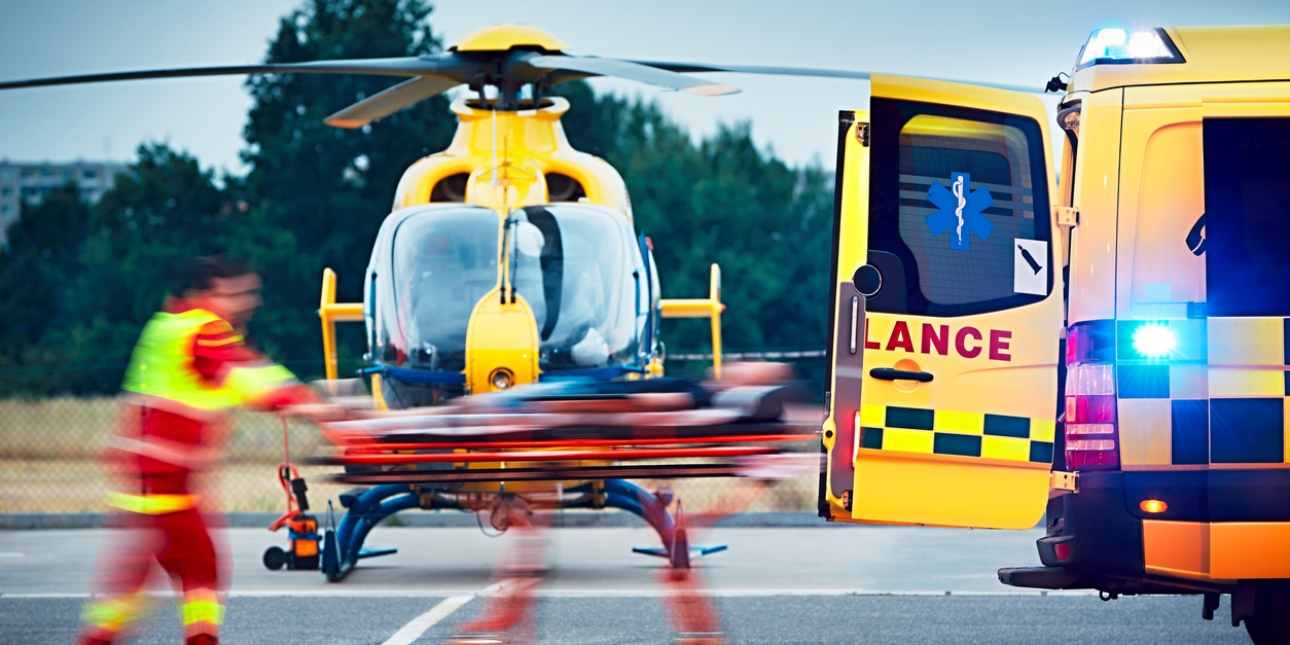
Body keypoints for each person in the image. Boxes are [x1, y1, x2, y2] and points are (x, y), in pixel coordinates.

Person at [76, 256, 321, 645]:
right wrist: (312, 404)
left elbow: (239, 376)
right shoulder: (203, 328)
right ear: (205, 294)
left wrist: (291, 398)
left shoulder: (165, 326)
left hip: (150, 477)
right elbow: (247, 378)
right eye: (235, 293)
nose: (246, 302)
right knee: (194, 570)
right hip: (165, 479)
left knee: (157, 577)